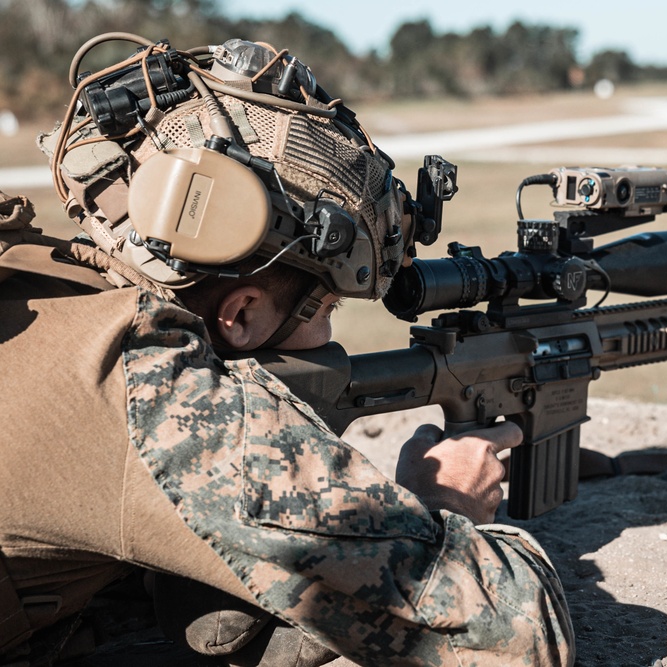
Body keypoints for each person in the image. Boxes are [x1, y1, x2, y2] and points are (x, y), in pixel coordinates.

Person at [0, 33, 574, 666]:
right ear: (241, 313)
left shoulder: (36, 279)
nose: (331, 336)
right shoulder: (146, 386)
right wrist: (446, 508)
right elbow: (517, 637)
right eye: (325, 309)